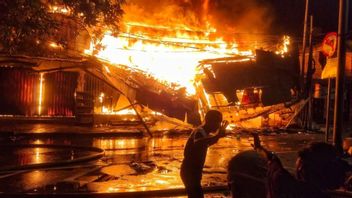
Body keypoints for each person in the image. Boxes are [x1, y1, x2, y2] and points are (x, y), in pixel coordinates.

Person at [180, 109, 229, 198]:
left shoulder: (204, 133)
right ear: (210, 121)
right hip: (189, 171)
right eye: (218, 122)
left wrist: (218, 135)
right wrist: (218, 135)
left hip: (193, 171)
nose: (218, 126)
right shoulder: (199, 131)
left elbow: (207, 142)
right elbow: (200, 143)